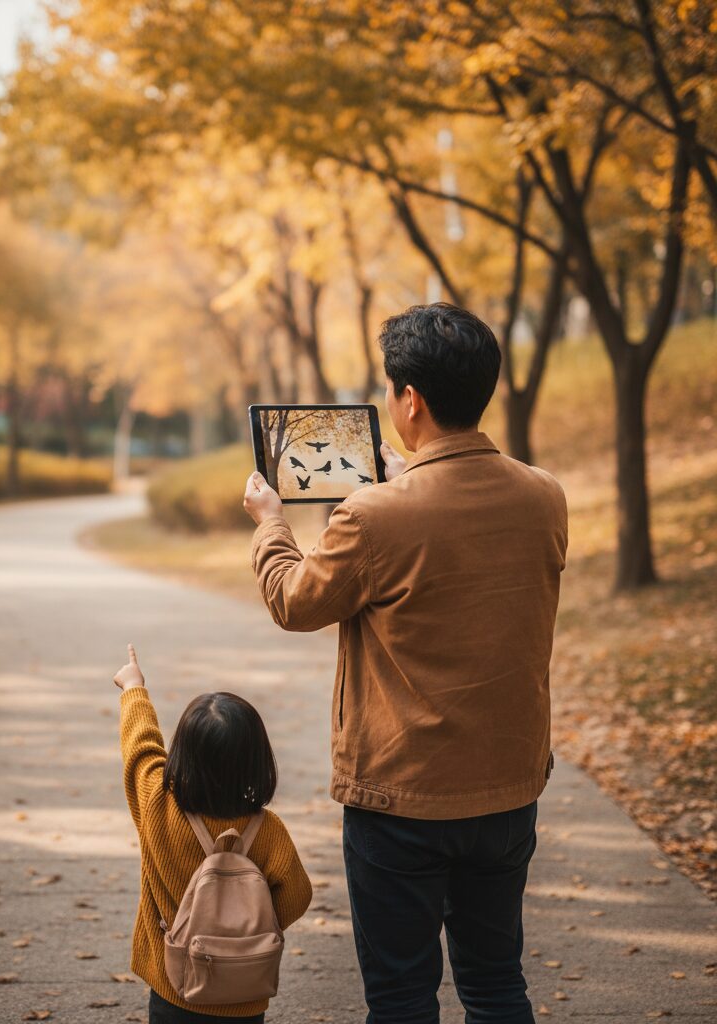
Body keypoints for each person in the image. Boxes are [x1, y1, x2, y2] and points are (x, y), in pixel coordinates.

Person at [242, 303, 568, 1023]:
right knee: (496, 984)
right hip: (507, 789)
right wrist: (406, 478)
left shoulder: (374, 515)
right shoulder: (545, 497)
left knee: (400, 998)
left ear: (410, 400)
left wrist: (272, 524)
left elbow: (293, 601)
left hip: (401, 798)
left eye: (391, 388)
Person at [113, 643, 313, 1023]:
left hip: (175, 987)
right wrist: (244, 928)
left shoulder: (159, 805)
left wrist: (134, 688)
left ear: (182, 755)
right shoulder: (268, 831)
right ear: (257, 760)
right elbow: (297, 896)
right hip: (244, 992)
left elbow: (140, 749)